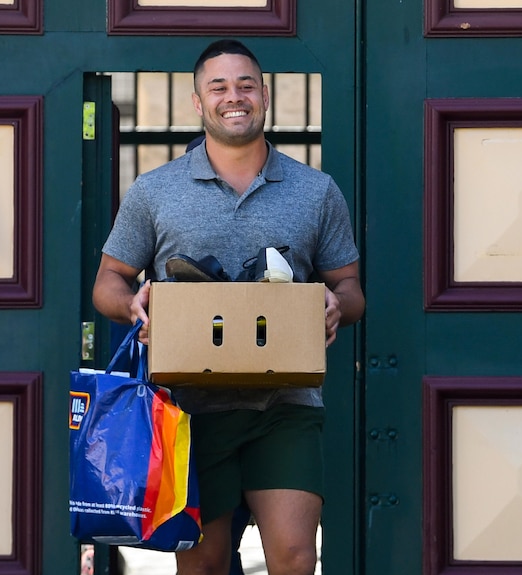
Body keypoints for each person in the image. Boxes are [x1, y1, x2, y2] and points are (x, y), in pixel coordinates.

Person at [92, 39, 365, 575]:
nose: (233, 96)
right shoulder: (155, 190)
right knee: (205, 564)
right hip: (188, 411)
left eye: (245, 85)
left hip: (285, 405)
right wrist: (133, 307)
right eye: (218, 86)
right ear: (198, 101)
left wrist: (337, 305)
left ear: (264, 96)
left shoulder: (316, 191)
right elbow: (108, 280)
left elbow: (351, 286)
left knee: (293, 559)